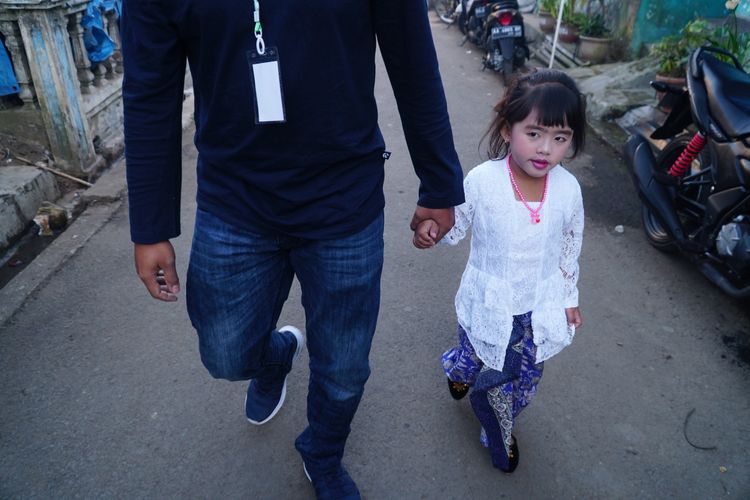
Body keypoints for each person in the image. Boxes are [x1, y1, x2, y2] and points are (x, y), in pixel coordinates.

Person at [120, 1, 464, 498]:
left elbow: (413, 60)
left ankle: (322, 453)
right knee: (225, 354)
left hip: (344, 199)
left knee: (343, 369)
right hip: (233, 199)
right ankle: (276, 355)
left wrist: (439, 182)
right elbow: (149, 92)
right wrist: (150, 227)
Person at [413, 68, 585, 473]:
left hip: (537, 307)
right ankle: (457, 368)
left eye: (560, 138)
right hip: (487, 301)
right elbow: (456, 224)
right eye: (535, 133)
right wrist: (433, 229)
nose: (546, 149)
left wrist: (569, 296)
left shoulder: (568, 189)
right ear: (508, 130)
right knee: (475, 353)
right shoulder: (483, 181)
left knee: (523, 381)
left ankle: (498, 424)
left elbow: (570, 244)